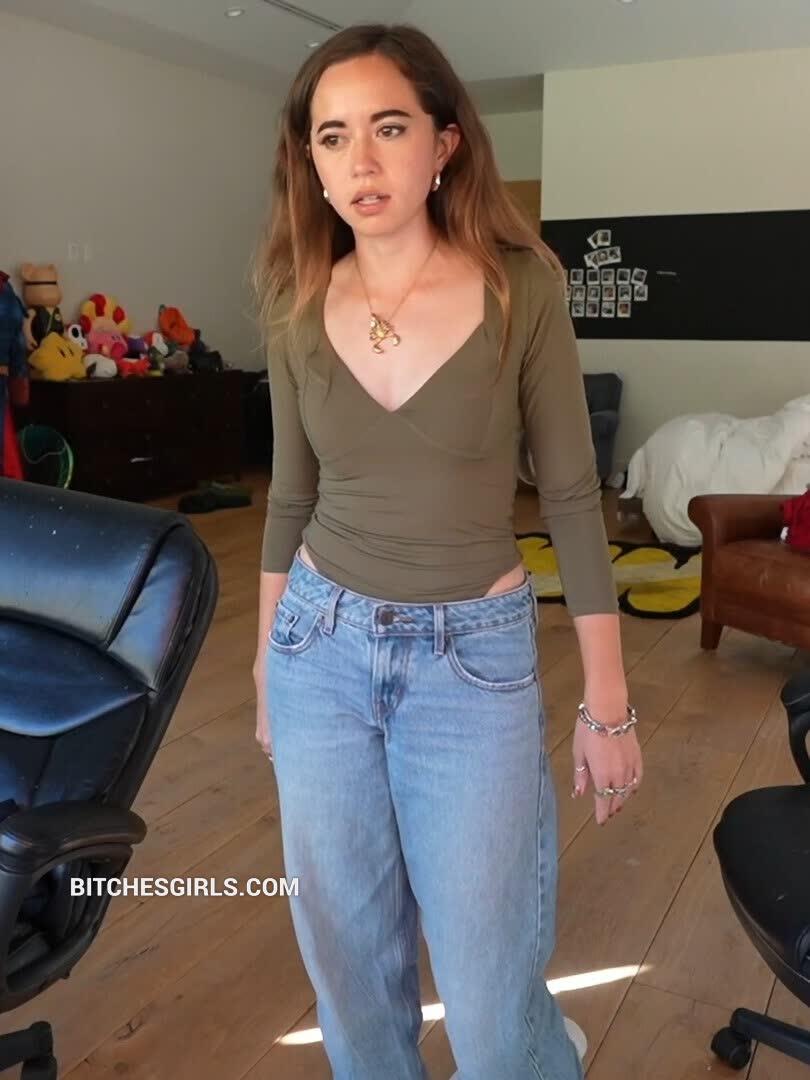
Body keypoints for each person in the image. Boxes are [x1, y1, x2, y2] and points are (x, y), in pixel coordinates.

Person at [252, 23, 643, 1080]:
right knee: (348, 970)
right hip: (318, 647)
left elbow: (572, 495)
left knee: (489, 990)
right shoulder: (294, 303)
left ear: (445, 142)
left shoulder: (522, 287)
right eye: (333, 136)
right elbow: (290, 497)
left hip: (472, 660)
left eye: (389, 128)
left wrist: (607, 704)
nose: (361, 162)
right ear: (310, 160)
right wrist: (266, 664)